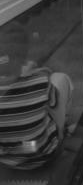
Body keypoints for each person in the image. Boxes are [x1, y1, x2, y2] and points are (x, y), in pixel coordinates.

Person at [0, 21, 73, 169]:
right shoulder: (40, 79)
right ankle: (63, 129)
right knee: (59, 80)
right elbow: (53, 102)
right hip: (44, 154)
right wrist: (38, 72)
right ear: (23, 56)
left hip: (8, 161)